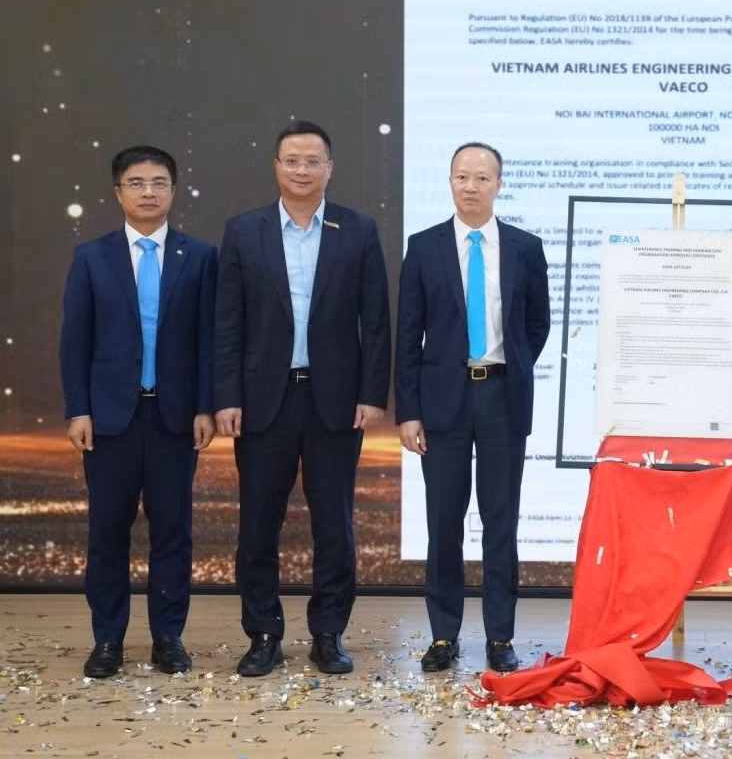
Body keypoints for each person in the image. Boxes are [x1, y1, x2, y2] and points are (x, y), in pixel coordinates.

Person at [213, 119, 391, 677]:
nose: (302, 169)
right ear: (276, 166)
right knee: (257, 524)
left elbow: (376, 321)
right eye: (292, 160)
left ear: (329, 169)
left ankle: (328, 633)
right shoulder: (244, 231)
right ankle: (263, 634)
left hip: (334, 400)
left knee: (334, 524)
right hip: (262, 400)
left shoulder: (358, 230)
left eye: (313, 161)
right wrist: (226, 395)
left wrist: (372, 393)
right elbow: (227, 322)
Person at [59, 145, 217, 679]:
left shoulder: (200, 257)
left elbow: (208, 340)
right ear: (118, 192)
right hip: (109, 420)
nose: (148, 192)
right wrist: (78, 409)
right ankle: (108, 639)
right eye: (137, 183)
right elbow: (74, 343)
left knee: (173, 530)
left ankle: (168, 637)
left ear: (173, 190)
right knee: (107, 532)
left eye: (158, 182)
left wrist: (205, 406)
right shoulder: (92, 257)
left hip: (175, 418)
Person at [394, 142, 551, 674]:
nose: (471, 186)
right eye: (462, 176)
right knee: (444, 520)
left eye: (482, 177)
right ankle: (444, 635)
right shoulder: (424, 247)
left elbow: (537, 324)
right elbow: (407, 335)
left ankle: (500, 637)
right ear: (449, 181)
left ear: (498, 184)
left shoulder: (526, 248)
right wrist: (408, 411)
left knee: (501, 520)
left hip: (503, 395)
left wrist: (515, 365)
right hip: (442, 399)